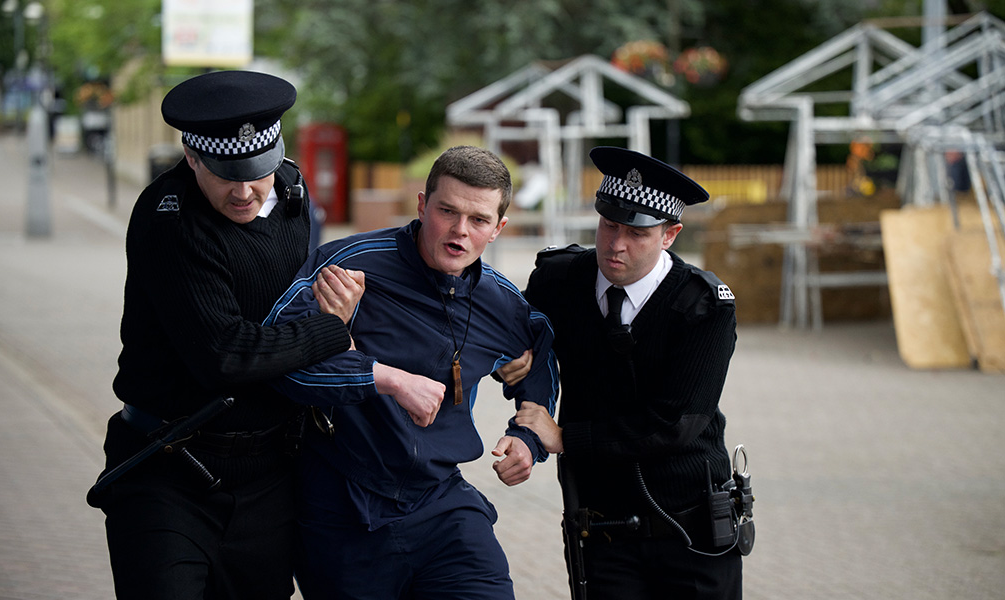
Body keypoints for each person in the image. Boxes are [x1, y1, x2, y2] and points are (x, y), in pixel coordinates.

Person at [87, 70, 364, 600]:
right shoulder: (170, 220)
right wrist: (331, 330)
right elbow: (226, 354)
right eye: (225, 174)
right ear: (192, 158)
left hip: (268, 476)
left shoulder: (291, 190)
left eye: (257, 171)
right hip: (167, 470)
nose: (244, 191)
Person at [266, 145, 560, 599]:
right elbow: (279, 362)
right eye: (447, 211)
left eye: (479, 220)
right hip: (342, 507)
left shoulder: (502, 304)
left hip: (441, 504)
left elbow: (538, 357)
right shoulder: (348, 266)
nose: (460, 231)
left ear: (498, 229)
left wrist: (527, 437)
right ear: (422, 206)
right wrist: (382, 376)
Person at [516, 146, 743, 599]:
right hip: (601, 526)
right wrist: (511, 359)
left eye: (637, 233)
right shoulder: (559, 280)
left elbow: (675, 423)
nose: (616, 244)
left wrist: (566, 438)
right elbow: (501, 333)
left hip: (690, 528)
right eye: (609, 224)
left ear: (670, 234)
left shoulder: (703, 306)